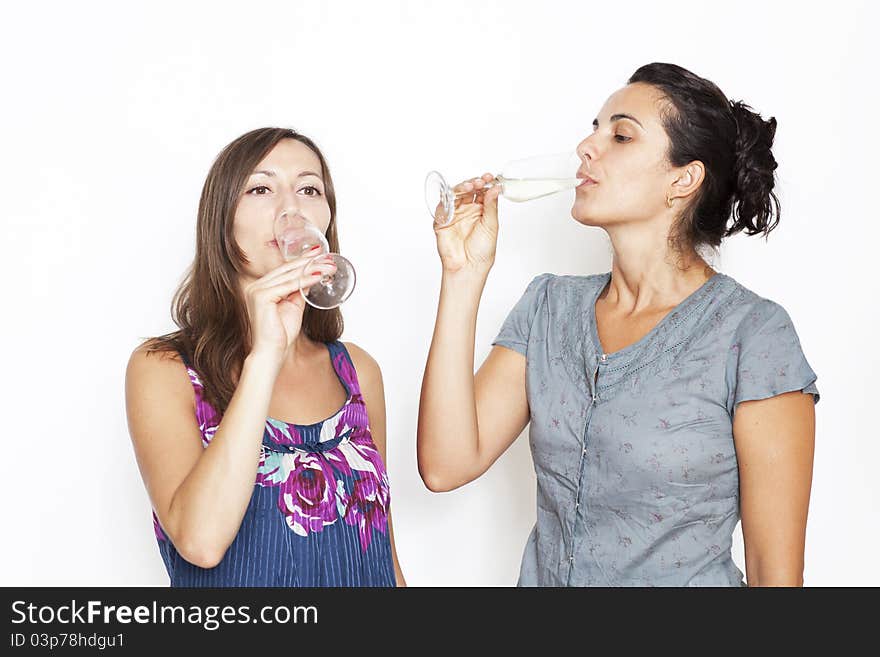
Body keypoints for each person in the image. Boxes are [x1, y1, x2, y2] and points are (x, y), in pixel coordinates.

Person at [418, 63, 818, 587]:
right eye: (595, 127)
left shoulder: (753, 335)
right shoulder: (548, 308)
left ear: (683, 178)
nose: (588, 146)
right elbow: (446, 465)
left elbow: (776, 576)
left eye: (621, 134)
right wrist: (462, 276)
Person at [126, 127, 405, 586]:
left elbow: (383, 556)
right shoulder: (163, 369)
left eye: (309, 189)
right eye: (261, 188)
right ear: (222, 219)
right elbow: (201, 541)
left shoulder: (358, 371)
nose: (291, 209)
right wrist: (266, 355)